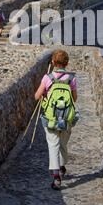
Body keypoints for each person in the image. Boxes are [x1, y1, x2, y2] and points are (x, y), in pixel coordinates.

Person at [35, 49, 78, 191]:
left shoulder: (47, 78)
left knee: (53, 145)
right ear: (67, 63)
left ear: (53, 62)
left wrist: (46, 96)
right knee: (63, 144)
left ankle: (56, 176)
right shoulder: (71, 78)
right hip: (66, 118)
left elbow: (37, 96)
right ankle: (62, 166)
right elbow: (74, 98)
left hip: (51, 118)